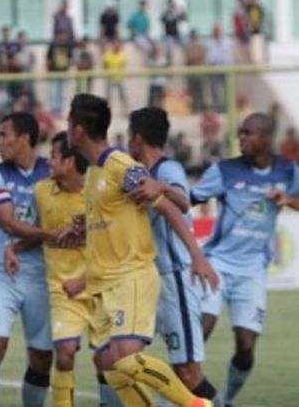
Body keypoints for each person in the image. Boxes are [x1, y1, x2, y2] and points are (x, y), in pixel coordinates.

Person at [63, 93, 216, 407]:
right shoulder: (93, 173)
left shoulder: (121, 166)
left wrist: (197, 257)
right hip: (109, 285)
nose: (66, 129)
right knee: (114, 368)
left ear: (78, 129)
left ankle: (196, 404)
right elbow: (109, 227)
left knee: (130, 361)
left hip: (133, 276)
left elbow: (172, 208)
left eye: (69, 123)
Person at [191, 113, 299, 407]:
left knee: (246, 346)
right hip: (217, 264)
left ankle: (226, 399)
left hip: (252, 270)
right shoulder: (225, 170)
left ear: (265, 137)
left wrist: (288, 200)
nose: (242, 138)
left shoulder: (288, 171)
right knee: (203, 328)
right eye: (240, 133)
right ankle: (172, 398)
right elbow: (190, 197)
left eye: (248, 133)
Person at [126, 107, 222, 405]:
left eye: (130, 136)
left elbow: (182, 202)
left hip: (174, 278)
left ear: (138, 138)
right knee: (118, 357)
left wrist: (163, 187)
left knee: (188, 371)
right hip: (145, 279)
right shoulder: (134, 172)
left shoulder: (168, 170)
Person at [19, 131, 114, 407]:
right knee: (64, 354)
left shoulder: (99, 193)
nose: (48, 162)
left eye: (54, 156)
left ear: (70, 161)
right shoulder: (41, 191)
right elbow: (34, 230)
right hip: (63, 290)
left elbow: (114, 240)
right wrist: (14, 248)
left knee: (106, 360)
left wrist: (87, 233)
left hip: (99, 287)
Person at [0, 112, 57, 407]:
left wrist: (41, 237)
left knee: (42, 357)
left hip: (41, 276)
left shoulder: (52, 171)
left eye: (4, 135)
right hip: (2, 273)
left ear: (24, 139)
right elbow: (6, 222)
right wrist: (51, 234)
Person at [206, 24, 233, 112]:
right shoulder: (210, 42)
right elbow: (210, 58)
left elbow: (228, 57)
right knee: (214, 90)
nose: (216, 33)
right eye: (215, 31)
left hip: (225, 69)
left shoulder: (227, 41)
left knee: (227, 90)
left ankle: (228, 108)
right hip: (214, 69)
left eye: (217, 31)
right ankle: (217, 109)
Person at [46, 31, 72, 117]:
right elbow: (48, 60)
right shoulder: (52, 46)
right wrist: (48, 72)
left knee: (62, 93)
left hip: (64, 73)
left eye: (63, 35)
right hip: (54, 73)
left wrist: (68, 68)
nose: (61, 38)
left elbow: (70, 59)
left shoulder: (67, 47)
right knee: (54, 93)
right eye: (60, 35)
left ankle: (60, 111)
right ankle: (54, 111)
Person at [184, 30, 207, 113]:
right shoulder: (187, 46)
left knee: (200, 92)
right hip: (191, 73)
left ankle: (201, 109)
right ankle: (194, 109)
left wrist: (193, 58)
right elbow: (187, 58)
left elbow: (202, 56)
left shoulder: (201, 45)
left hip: (199, 73)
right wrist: (195, 58)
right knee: (192, 92)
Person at [102, 40, 128, 113]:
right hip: (110, 78)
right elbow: (105, 65)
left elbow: (122, 64)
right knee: (108, 96)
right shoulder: (107, 54)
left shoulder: (122, 55)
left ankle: (125, 110)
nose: (116, 47)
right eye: (114, 45)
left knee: (122, 96)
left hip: (119, 78)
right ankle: (106, 111)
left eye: (117, 45)